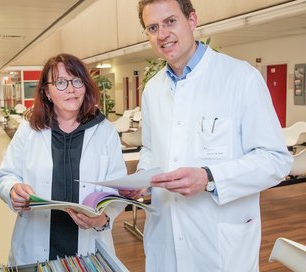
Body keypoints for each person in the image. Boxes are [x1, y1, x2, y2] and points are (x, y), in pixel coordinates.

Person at [123, 0, 293, 271]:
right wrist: (142, 179)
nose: (162, 34)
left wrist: (209, 178)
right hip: (166, 233)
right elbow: (151, 149)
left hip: (219, 241)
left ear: (192, 21)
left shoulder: (241, 78)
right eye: (152, 27)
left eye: (170, 21)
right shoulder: (153, 90)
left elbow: (275, 160)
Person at [0, 53, 127, 266]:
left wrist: (104, 218)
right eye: (60, 82)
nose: (71, 89)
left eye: (77, 80)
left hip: (89, 244)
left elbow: (118, 188)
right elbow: (6, 175)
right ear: (46, 92)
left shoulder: (105, 131)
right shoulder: (29, 130)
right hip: (35, 243)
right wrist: (12, 190)